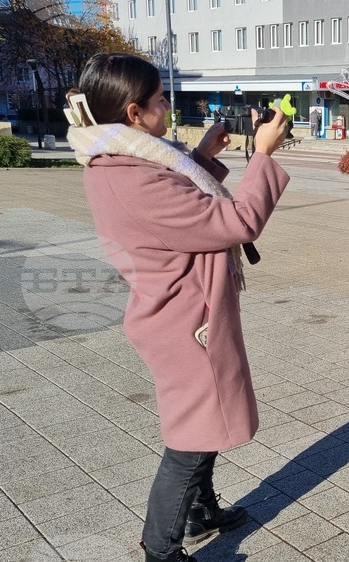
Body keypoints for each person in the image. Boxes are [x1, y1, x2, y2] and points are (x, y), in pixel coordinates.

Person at [65, 52, 290, 562]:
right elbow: (233, 222)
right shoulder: (132, 176)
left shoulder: (123, 160)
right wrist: (264, 157)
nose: (168, 105)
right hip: (186, 322)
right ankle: (160, 548)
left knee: (205, 419)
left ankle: (201, 512)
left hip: (183, 313)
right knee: (190, 438)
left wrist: (204, 157)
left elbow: (186, 209)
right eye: (161, 99)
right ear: (132, 114)